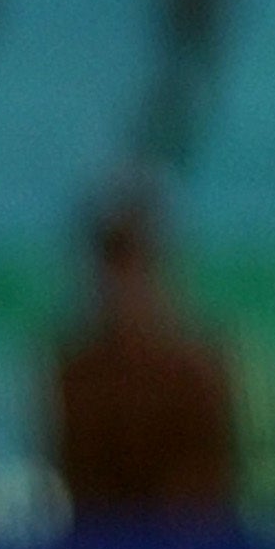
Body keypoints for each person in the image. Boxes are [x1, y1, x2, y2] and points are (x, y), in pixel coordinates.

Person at [52, 199, 236, 522]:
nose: (126, 285)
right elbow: (81, 491)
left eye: (139, 265)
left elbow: (205, 493)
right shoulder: (77, 375)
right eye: (115, 266)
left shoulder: (197, 374)